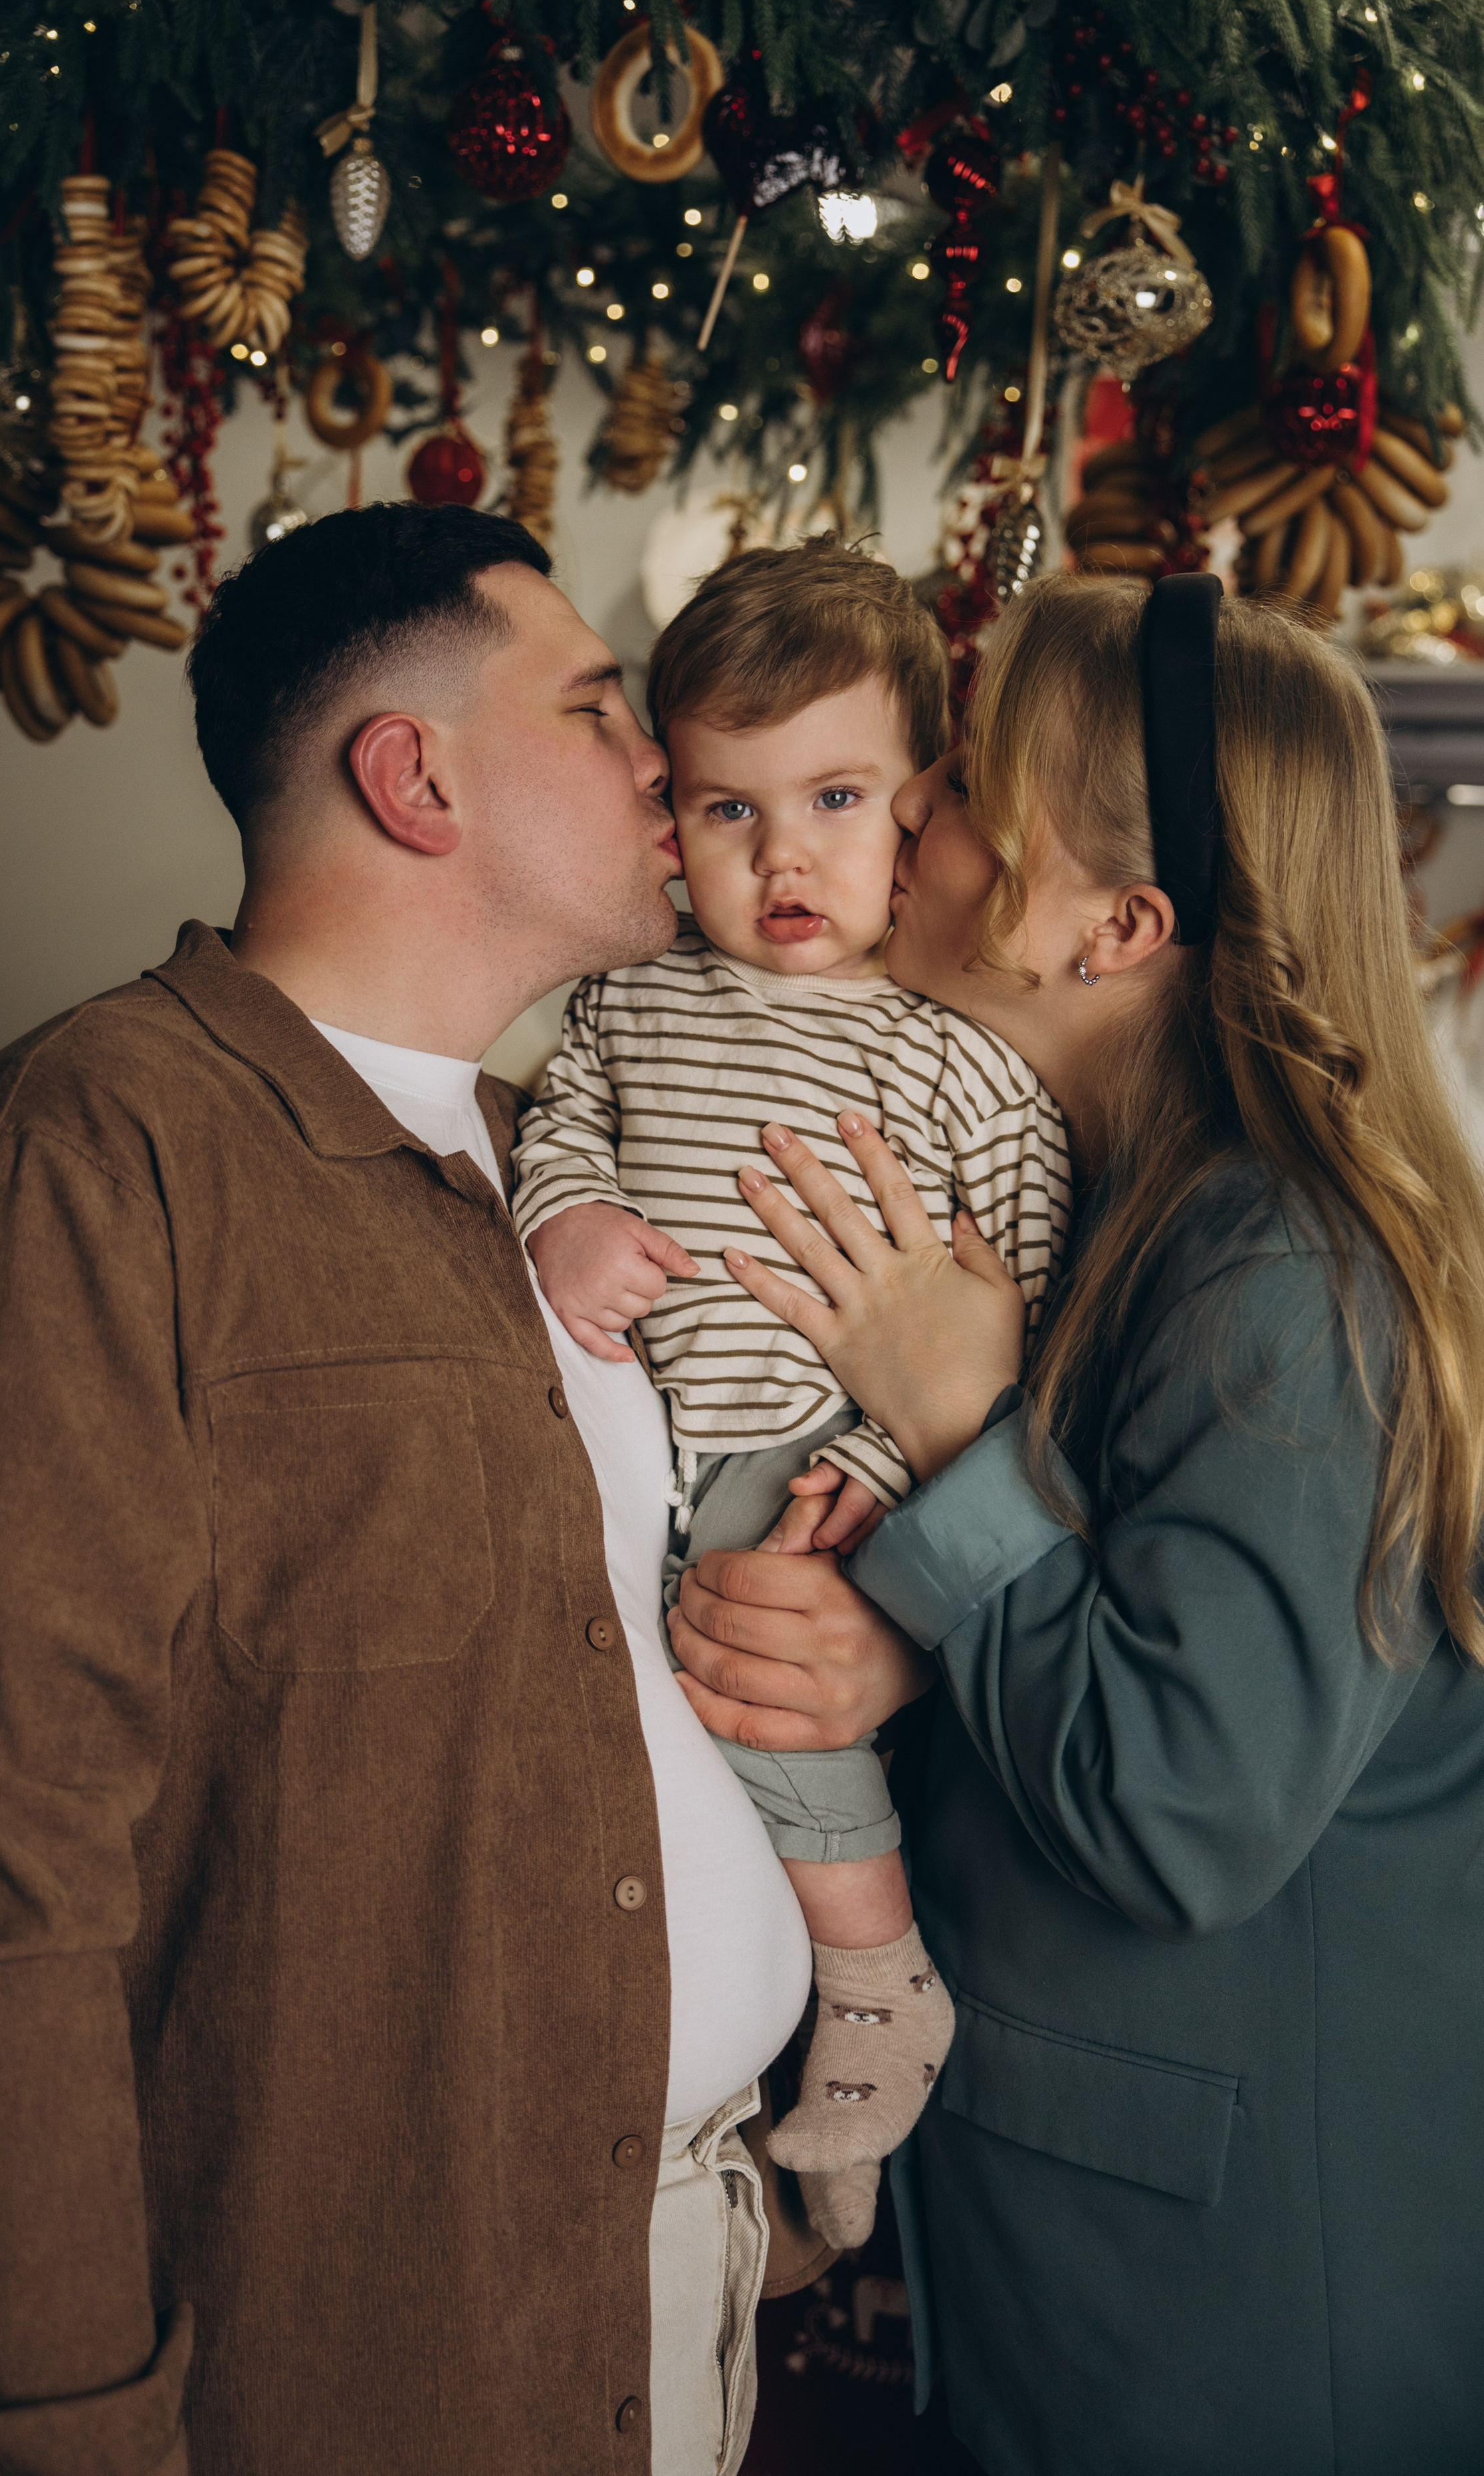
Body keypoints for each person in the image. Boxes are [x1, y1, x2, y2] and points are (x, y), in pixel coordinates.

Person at [0, 504, 819, 2476]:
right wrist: (59, 2441)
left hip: (675, 2265)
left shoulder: (557, 1166)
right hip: (361, 2349)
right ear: (413, 774)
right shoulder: (80, 1166)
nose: (658, 765)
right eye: (602, 706)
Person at [667, 573, 1484, 2475]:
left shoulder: (1286, 1276)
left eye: (965, 790)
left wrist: (955, 1422)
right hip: (1085, 2263)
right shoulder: (1117, 1213)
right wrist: (898, 1646)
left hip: (1239, 2323)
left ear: (1117, 924)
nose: (913, 817)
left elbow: (1188, 1806)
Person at [513, 539, 1069, 2239]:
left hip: (820, 1451)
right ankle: (745, 2095)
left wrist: (902, 1473)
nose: (781, 858)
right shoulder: (622, 1004)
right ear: (666, 818)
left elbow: (1018, 1294)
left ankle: (876, 1981)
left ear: (915, 810)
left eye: (833, 799)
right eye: (725, 811)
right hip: (653, 1448)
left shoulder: (951, 1051)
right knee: (660, 1760)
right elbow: (556, 1130)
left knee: (767, 1677)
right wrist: (568, 1220)